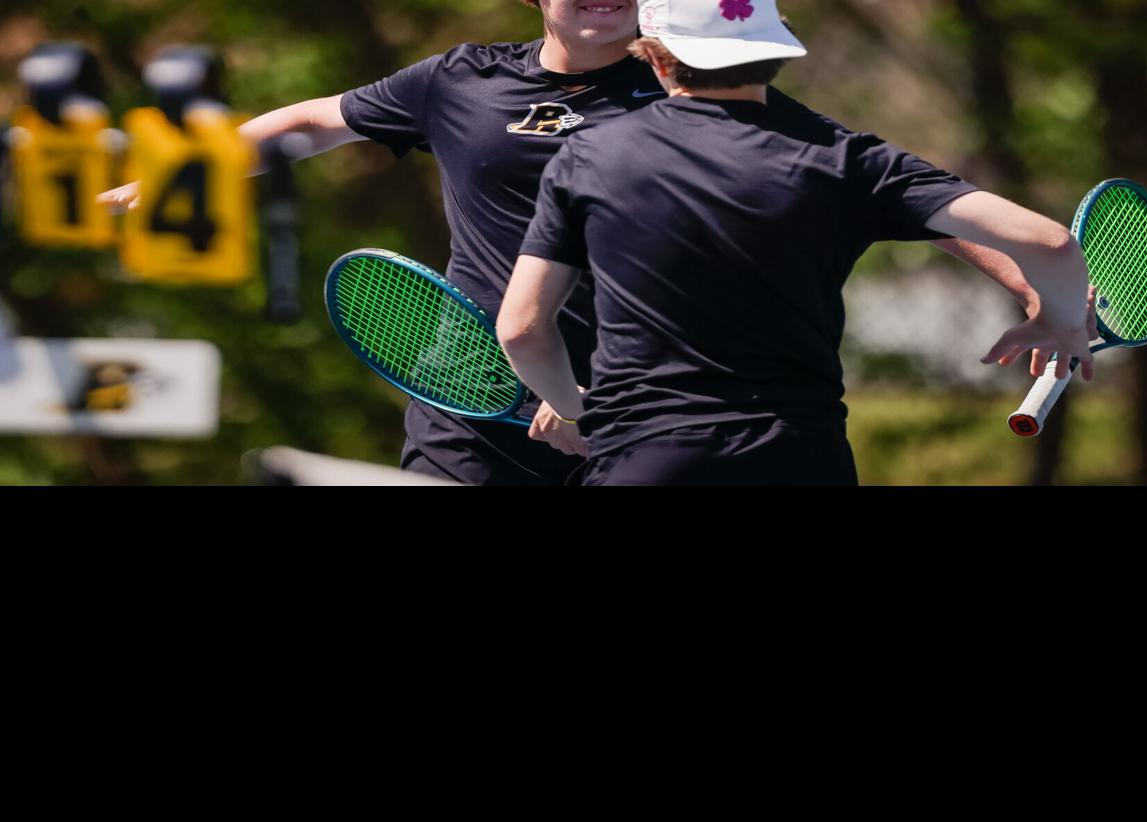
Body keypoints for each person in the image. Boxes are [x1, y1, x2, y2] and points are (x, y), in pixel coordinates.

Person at [98, 1, 1040, 485]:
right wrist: (187, 172)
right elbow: (309, 123)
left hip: (640, 410)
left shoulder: (698, 92)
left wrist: (1029, 287)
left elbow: (897, 197)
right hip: (477, 387)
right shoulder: (457, 82)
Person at [498, 0, 1094, 485]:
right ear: (777, 51)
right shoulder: (849, 161)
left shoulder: (591, 156)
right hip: (802, 458)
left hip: (649, 456)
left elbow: (522, 328)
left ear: (654, 56)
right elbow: (1051, 243)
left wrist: (574, 409)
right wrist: (1061, 322)